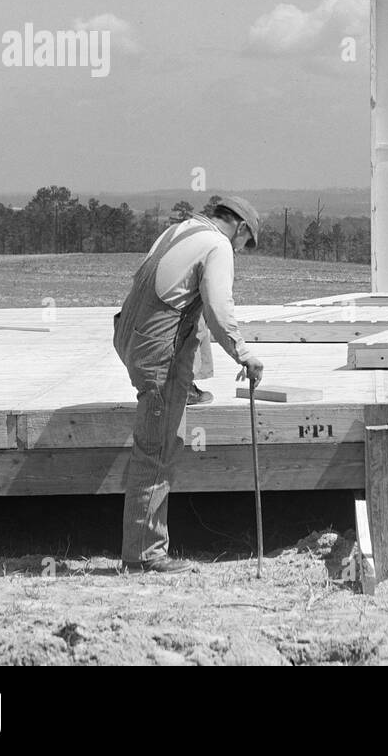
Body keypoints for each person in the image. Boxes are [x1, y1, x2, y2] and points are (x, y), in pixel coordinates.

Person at [112, 197, 265, 573]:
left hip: (133, 338)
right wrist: (243, 354)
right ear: (241, 227)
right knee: (157, 450)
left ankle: (187, 388)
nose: (240, 251)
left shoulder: (181, 230)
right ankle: (144, 555)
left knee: (162, 436)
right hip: (157, 355)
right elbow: (218, 308)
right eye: (246, 243)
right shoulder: (217, 245)